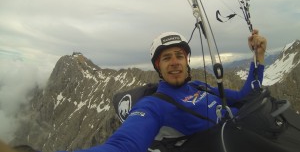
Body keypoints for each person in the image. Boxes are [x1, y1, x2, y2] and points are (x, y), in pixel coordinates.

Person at [57, 29, 267, 152]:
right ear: (158, 66)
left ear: (187, 61)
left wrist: (258, 56)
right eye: (166, 58)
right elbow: (123, 145)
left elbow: (244, 97)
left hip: (254, 136)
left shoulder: (199, 86)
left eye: (179, 55)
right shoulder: (154, 104)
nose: (174, 62)